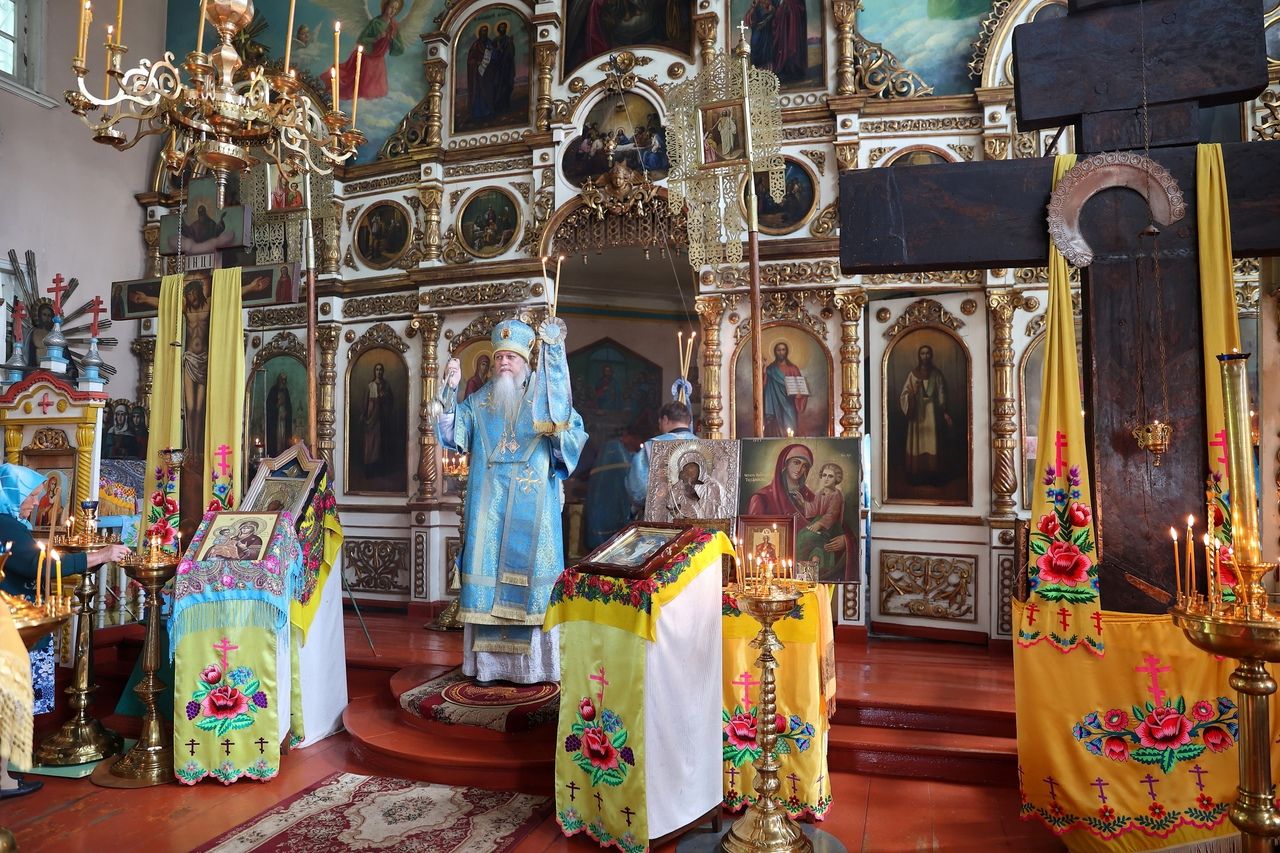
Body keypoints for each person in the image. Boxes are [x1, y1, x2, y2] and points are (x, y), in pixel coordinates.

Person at [439, 319, 587, 684]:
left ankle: (535, 669)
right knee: (487, 575)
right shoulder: (478, 401)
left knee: (531, 580)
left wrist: (557, 432)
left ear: (526, 360)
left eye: (512, 357)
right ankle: (487, 668)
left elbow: (572, 436)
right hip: (488, 503)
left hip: (533, 503)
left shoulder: (547, 398)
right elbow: (454, 434)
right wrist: (449, 390)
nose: (504, 362)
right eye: (499, 356)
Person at [0, 464, 129, 798]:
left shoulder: (10, 523)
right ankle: (2, 780)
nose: (35, 503)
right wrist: (97, 556)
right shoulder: (5, 524)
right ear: (12, 494)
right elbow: (38, 566)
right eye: (31, 496)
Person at [627, 401, 695, 511]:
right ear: (688, 421)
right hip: (696, 515)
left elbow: (638, 489)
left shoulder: (653, 446)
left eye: (659, 422)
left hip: (661, 515)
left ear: (665, 420)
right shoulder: (706, 445)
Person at [899, 344, 952, 485]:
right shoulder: (913, 374)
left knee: (931, 443)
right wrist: (913, 393)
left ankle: (932, 475)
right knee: (917, 442)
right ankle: (916, 474)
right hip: (916, 412)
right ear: (919, 356)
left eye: (928, 353)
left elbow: (941, 393)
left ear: (931, 355)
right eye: (922, 353)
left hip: (932, 413)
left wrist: (944, 411)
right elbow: (904, 394)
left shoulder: (936, 374)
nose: (925, 356)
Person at [584, 428, 641, 549]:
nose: (638, 443)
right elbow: (632, 485)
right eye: (636, 439)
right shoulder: (617, 452)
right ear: (626, 436)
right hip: (615, 503)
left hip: (601, 506)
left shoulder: (609, 453)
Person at [338, 0, 405, 102]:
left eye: (396, 9)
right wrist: (376, 38)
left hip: (379, 63)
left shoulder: (394, 26)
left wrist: (392, 39)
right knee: (362, 91)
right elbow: (361, 39)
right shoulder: (375, 23)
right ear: (386, 6)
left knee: (376, 95)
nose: (393, 11)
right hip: (368, 59)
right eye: (391, 7)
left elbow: (400, 48)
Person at [795, 462, 845, 576]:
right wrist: (803, 503)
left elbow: (832, 515)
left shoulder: (836, 495)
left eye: (830, 476)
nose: (826, 478)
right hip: (818, 523)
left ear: (836, 479)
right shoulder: (819, 492)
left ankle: (817, 569)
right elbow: (813, 509)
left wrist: (820, 524)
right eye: (824, 475)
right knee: (802, 535)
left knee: (806, 536)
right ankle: (801, 569)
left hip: (830, 528)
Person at [665, 450, 728, 520]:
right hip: (684, 524)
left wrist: (693, 495)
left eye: (692, 471)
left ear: (701, 469)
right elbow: (670, 508)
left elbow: (718, 511)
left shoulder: (713, 486)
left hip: (708, 524)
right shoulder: (678, 487)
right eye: (686, 471)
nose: (688, 475)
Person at [763, 340, 809, 437]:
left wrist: (799, 395)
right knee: (776, 430)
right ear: (775, 352)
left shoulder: (793, 369)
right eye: (778, 350)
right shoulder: (770, 369)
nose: (781, 352)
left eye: (783, 350)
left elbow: (801, 388)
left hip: (789, 404)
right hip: (775, 404)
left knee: (791, 427)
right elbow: (763, 385)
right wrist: (764, 371)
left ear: (786, 351)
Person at [362, 362, 394, 477]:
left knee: (381, 445)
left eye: (380, 369)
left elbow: (391, 403)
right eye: (377, 369)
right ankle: (369, 470)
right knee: (371, 445)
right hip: (371, 420)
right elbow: (365, 403)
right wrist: (365, 417)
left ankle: (381, 470)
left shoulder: (386, 386)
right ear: (374, 371)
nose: (379, 372)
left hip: (383, 420)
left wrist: (384, 398)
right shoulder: (370, 386)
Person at [466, 24, 495, 122]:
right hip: (478, 74)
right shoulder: (475, 45)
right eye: (482, 31)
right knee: (479, 92)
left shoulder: (490, 44)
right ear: (479, 33)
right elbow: (470, 60)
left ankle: (489, 111)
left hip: (488, 73)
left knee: (488, 90)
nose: (484, 33)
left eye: (486, 31)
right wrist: (476, 62)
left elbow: (495, 56)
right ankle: (478, 113)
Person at [265, 372, 293, 457]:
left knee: (283, 436)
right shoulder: (273, 390)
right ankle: (275, 453)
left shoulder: (286, 391)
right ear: (279, 380)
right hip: (275, 420)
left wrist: (286, 413)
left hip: (283, 420)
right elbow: (269, 406)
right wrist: (277, 406)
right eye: (282, 380)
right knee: (276, 437)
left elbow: (289, 406)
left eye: (285, 380)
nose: (283, 382)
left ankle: (283, 452)